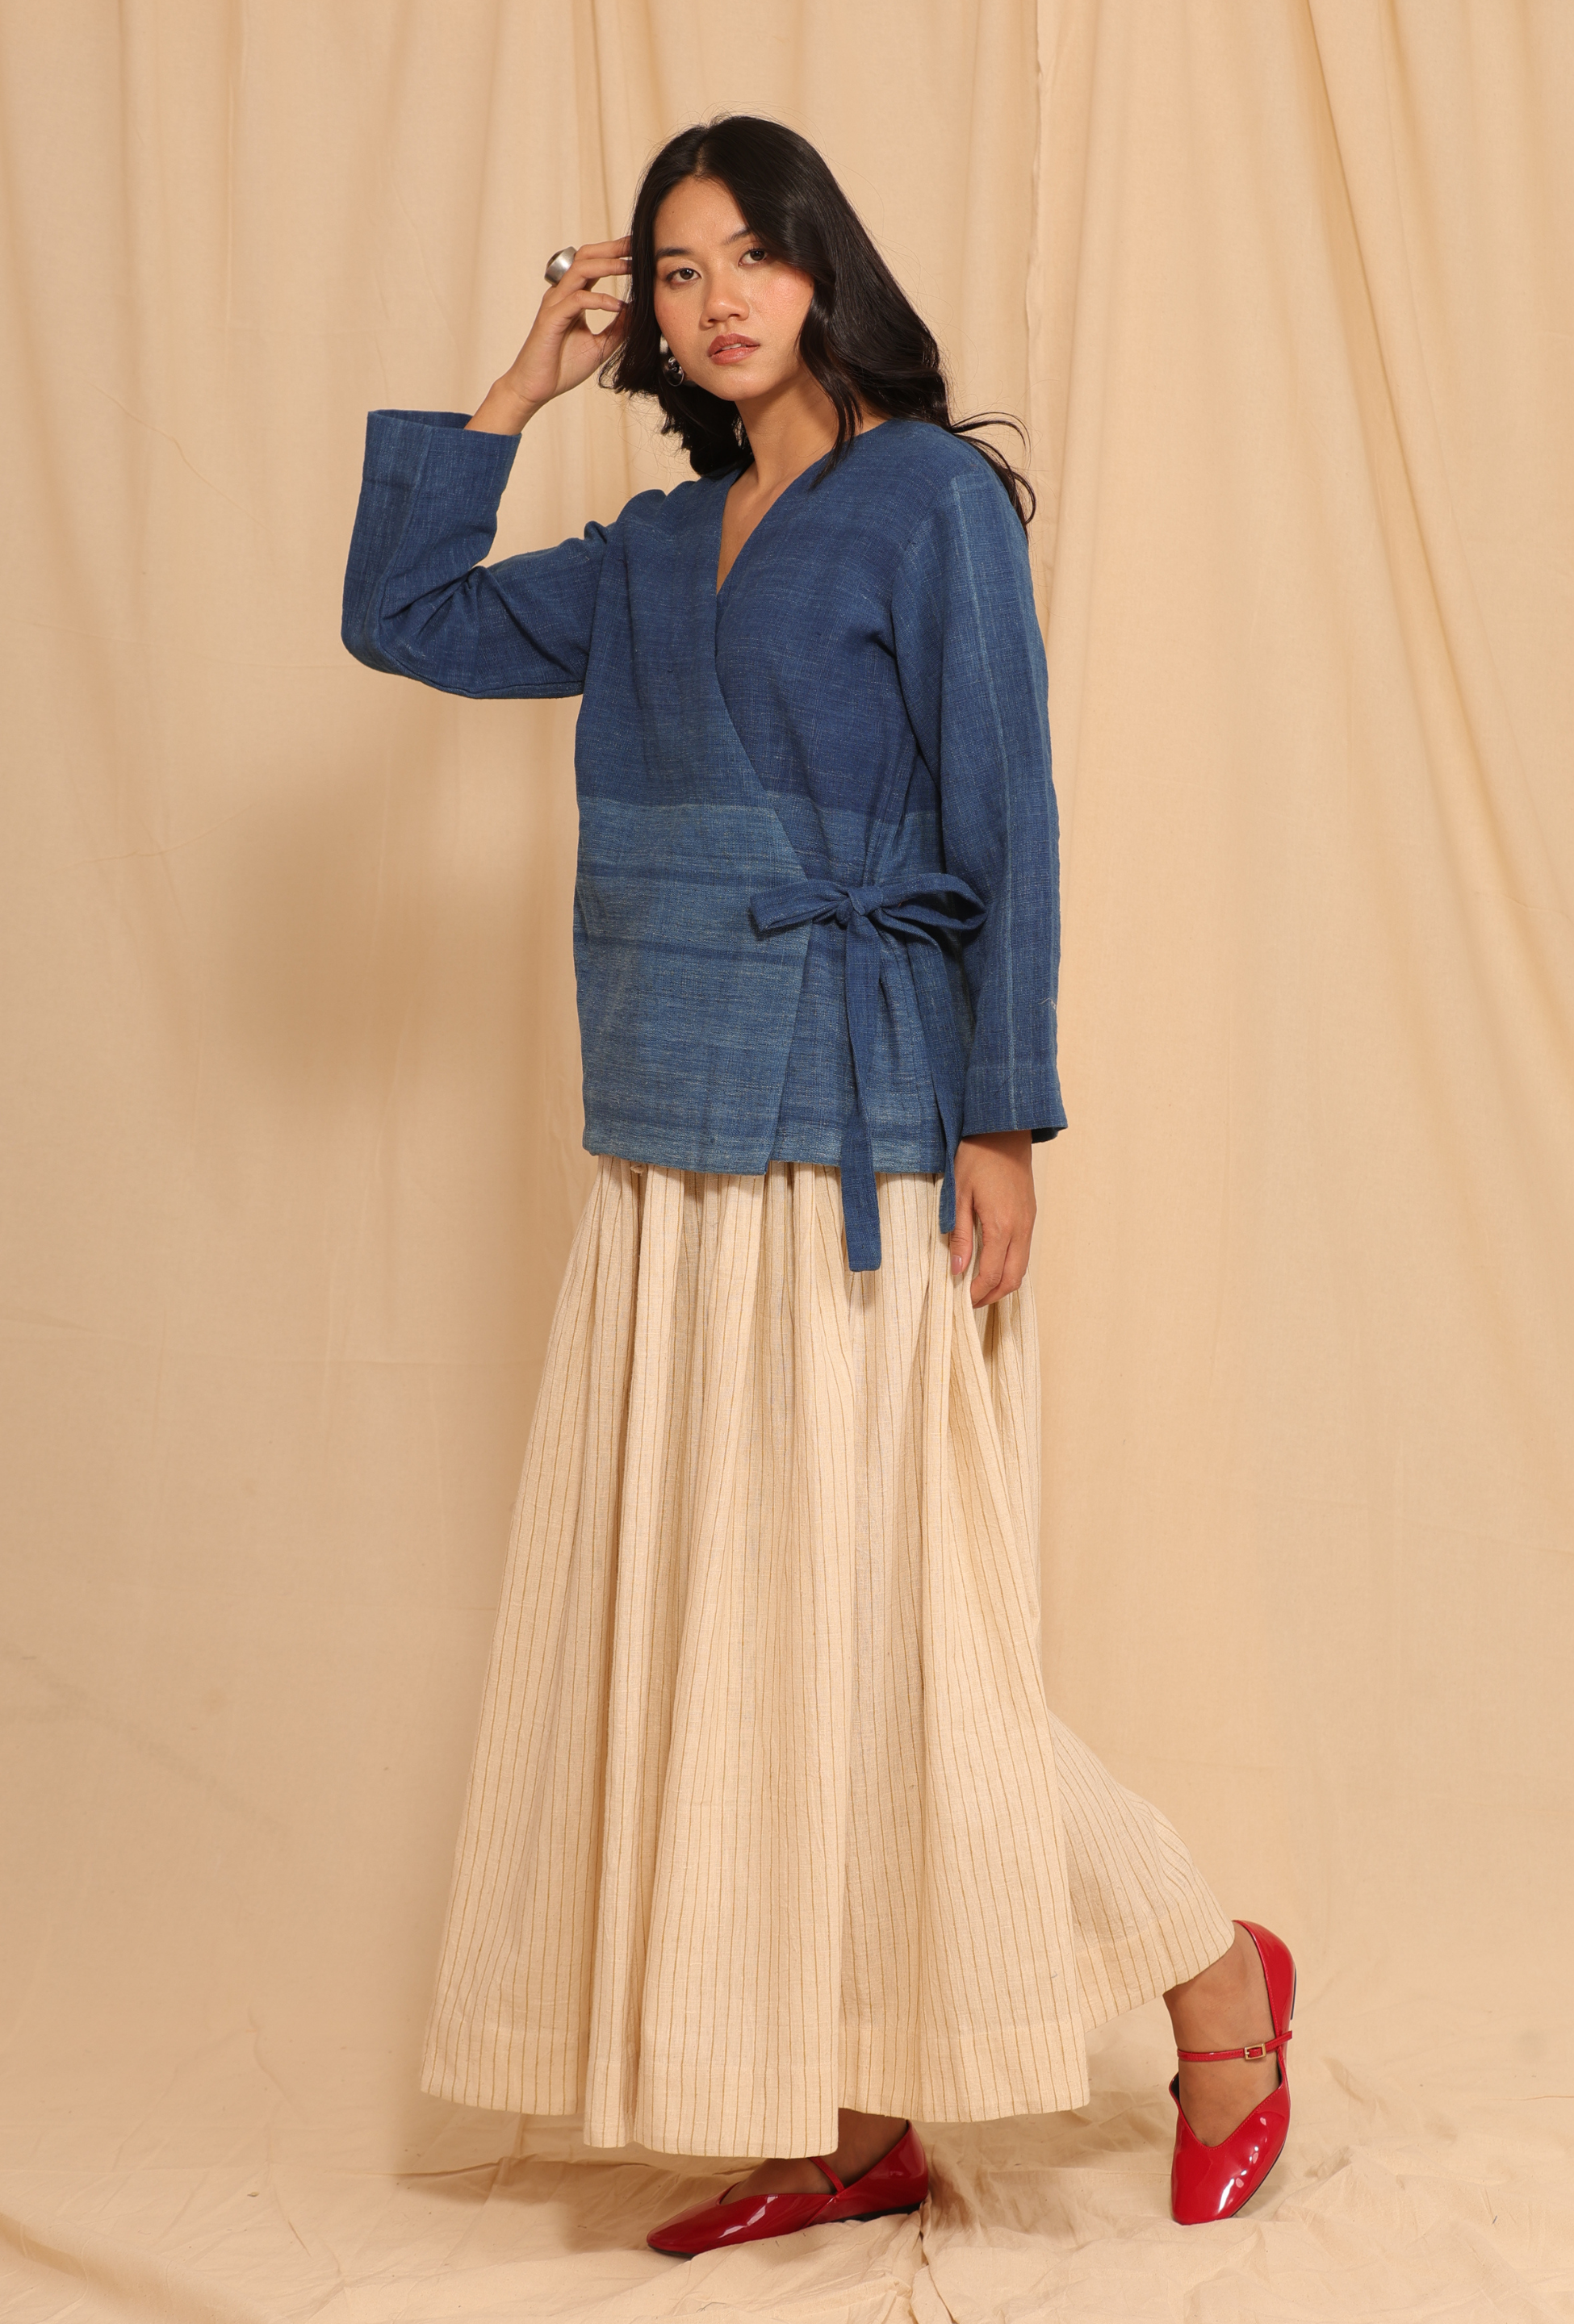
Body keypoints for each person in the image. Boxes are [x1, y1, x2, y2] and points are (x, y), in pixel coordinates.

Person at [341, 113, 1296, 2256]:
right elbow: (400, 617)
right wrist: (517, 385)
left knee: (900, 1658)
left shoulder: (925, 499)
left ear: (820, 266)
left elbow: (1007, 813)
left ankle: (1212, 1974)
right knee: (740, 1654)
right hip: (667, 1144)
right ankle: (850, 2114)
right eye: (673, 272)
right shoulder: (648, 549)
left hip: (868, 1129)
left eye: (747, 256)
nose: (715, 302)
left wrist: (1000, 1119)